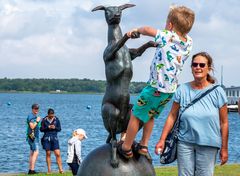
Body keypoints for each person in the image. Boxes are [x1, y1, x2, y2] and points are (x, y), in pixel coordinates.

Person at [118, 5, 195, 159]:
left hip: (156, 86)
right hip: (170, 89)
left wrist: (137, 30)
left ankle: (126, 146)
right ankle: (144, 146)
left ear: (170, 26)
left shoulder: (168, 36)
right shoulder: (188, 42)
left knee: (136, 114)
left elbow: (147, 29)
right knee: (150, 115)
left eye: (167, 23)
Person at [155, 52, 229, 176]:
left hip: (209, 144)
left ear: (209, 68)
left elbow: (224, 123)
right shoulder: (182, 89)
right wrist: (162, 140)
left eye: (202, 65)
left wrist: (225, 148)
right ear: (191, 68)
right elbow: (172, 116)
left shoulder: (218, 91)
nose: (198, 67)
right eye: (195, 64)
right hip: (185, 143)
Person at [40, 108, 63, 174]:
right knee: (48, 153)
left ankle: (60, 169)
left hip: (54, 137)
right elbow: (41, 129)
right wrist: (48, 127)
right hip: (46, 138)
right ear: (48, 114)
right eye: (51, 115)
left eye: (53, 115)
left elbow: (59, 129)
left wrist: (54, 127)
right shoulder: (44, 120)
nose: (52, 116)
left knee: (58, 153)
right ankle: (49, 170)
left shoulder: (57, 119)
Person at [26, 103, 41, 175]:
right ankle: (32, 170)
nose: (36, 110)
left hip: (35, 137)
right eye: (35, 108)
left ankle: (30, 170)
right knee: (36, 152)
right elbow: (32, 126)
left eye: (37, 108)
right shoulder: (31, 116)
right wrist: (37, 121)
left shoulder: (35, 116)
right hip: (32, 137)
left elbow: (37, 127)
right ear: (32, 109)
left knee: (32, 153)